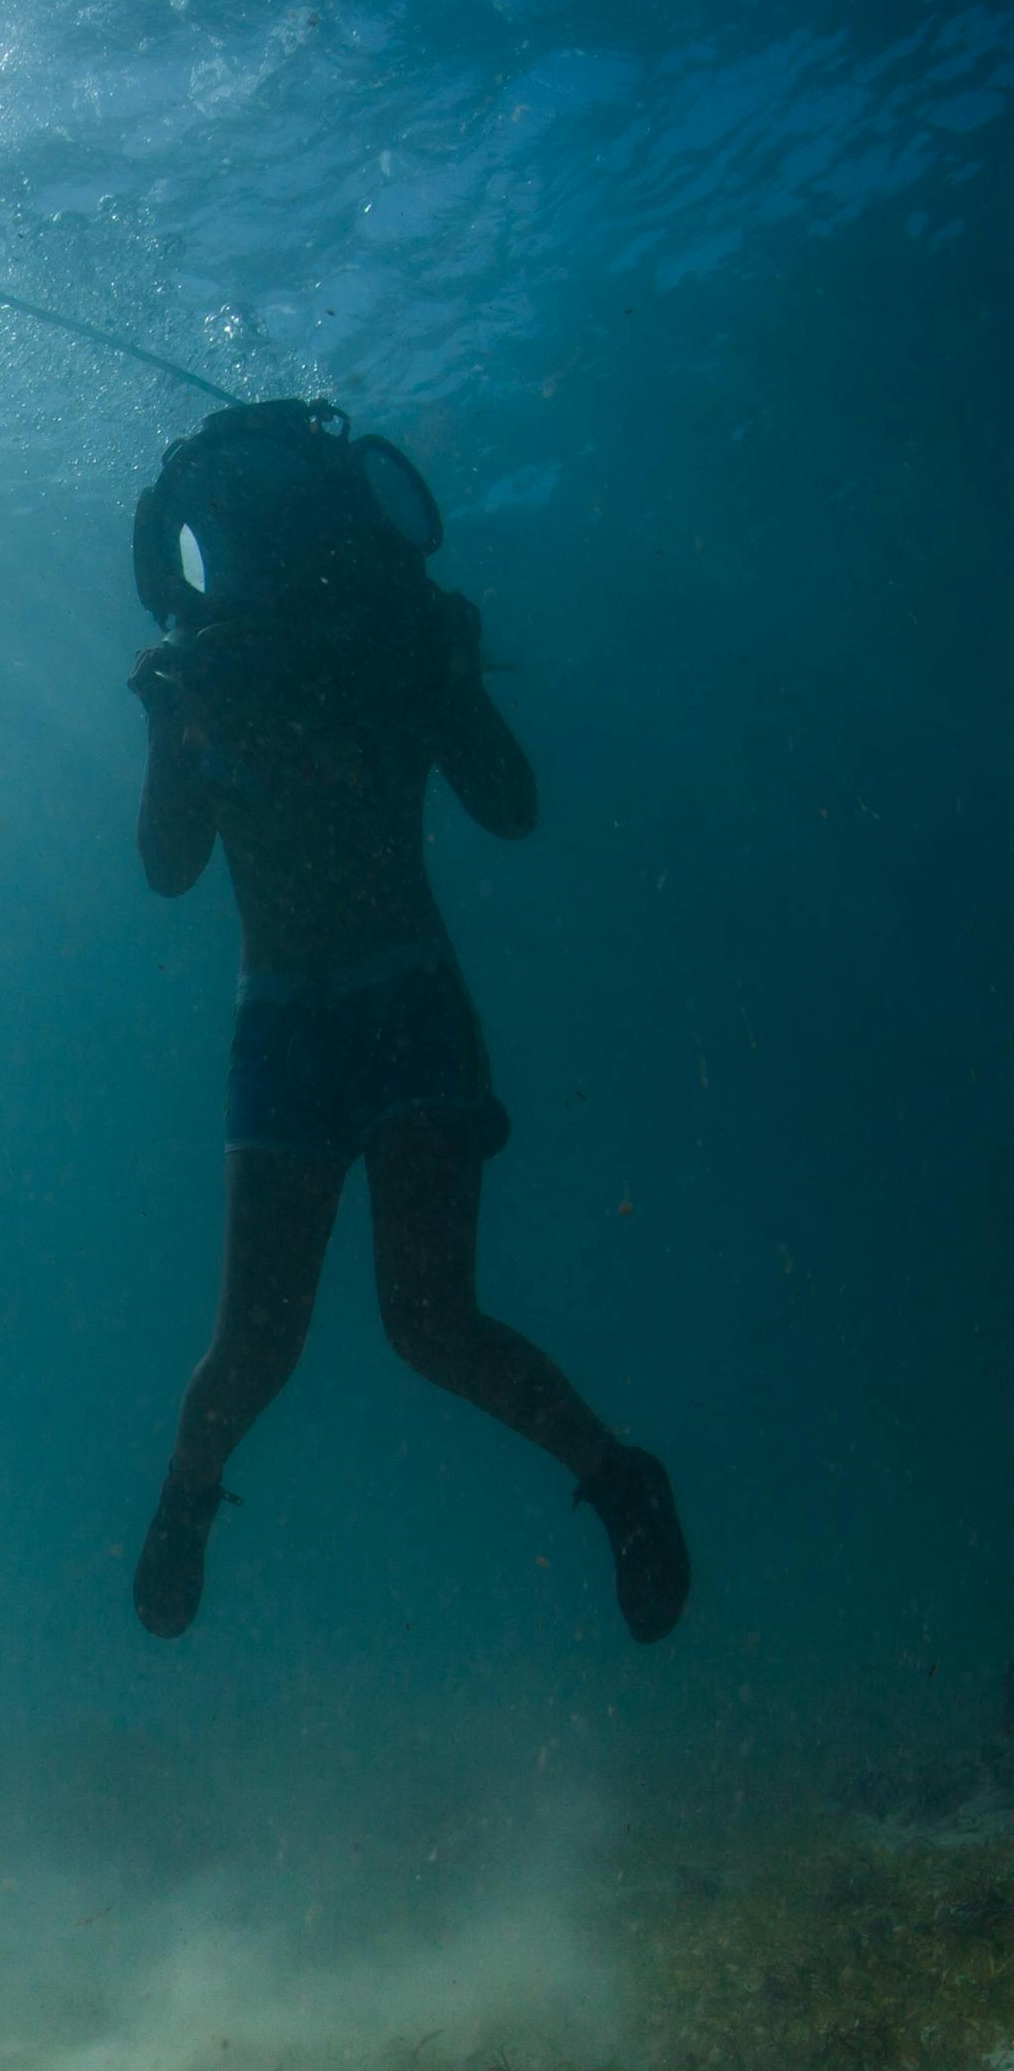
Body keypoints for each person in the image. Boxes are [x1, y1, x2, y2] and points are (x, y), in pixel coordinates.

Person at [122, 399, 686, 1641]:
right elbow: (512, 806)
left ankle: (191, 1499)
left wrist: (436, 675)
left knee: (346, 1334)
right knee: (359, 1332)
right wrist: (178, 727)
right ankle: (612, 1479)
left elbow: (171, 867)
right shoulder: (325, 648)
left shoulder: (348, 646)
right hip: (324, 1013)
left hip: (362, 1004)